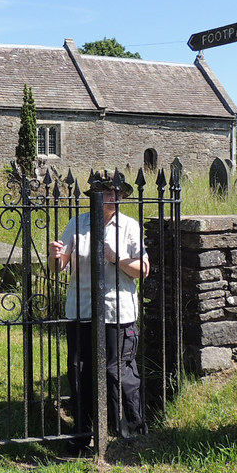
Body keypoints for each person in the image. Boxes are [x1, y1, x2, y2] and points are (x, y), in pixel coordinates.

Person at [48, 171, 150, 451]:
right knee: (80, 370)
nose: (112, 197)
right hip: (81, 309)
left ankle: (128, 432)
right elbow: (60, 266)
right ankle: (83, 432)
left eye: (116, 192)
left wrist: (116, 258)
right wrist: (54, 256)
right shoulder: (77, 223)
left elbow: (143, 269)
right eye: (105, 192)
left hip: (118, 311)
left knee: (119, 371)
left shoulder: (129, 226)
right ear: (93, 195)